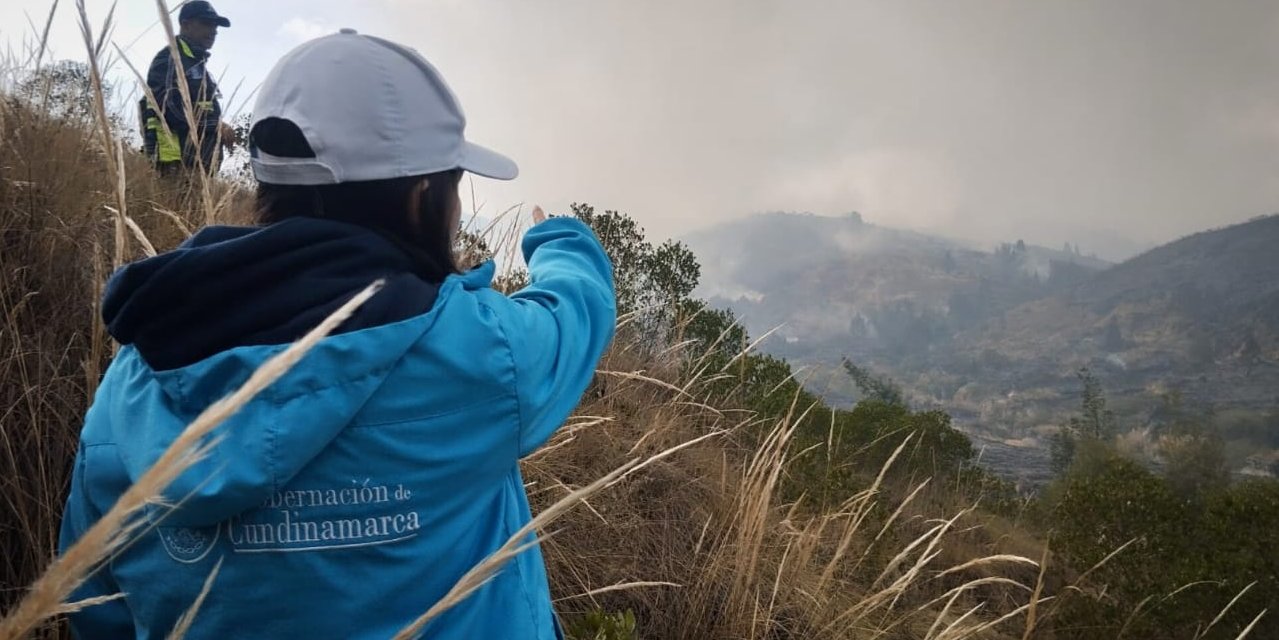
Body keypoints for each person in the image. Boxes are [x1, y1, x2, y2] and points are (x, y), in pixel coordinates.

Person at [61, 29, 616, 639]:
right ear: (421, 198)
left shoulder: (130, 388)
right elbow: (575, 316)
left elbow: (95, 607)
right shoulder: (481, 352)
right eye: (455, 184)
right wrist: (559, 239)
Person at [140, 1, 237, 173]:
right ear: (186, 24)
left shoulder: (195, 63)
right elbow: (167, 107)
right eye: (206, 23)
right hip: (174, 162)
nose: (214, 31)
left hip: (196, 164)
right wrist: (216, 125)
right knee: (170, 201)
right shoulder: (172, 58)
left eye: (215, 26)